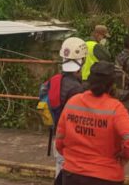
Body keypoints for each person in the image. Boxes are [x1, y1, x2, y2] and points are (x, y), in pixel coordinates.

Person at [55, 62, 129, 185]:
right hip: (106, 175)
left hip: (72, 174)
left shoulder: (73, 102)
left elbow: (59, 139)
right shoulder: (115, 108)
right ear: (112, 85)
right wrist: (124, 157)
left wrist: (72, 157)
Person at [42, 37, 87, 179]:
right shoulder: (76, 88)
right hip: (71, 141)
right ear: (83, 60)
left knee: (59, 172)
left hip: (58, 136)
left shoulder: (55, 80)